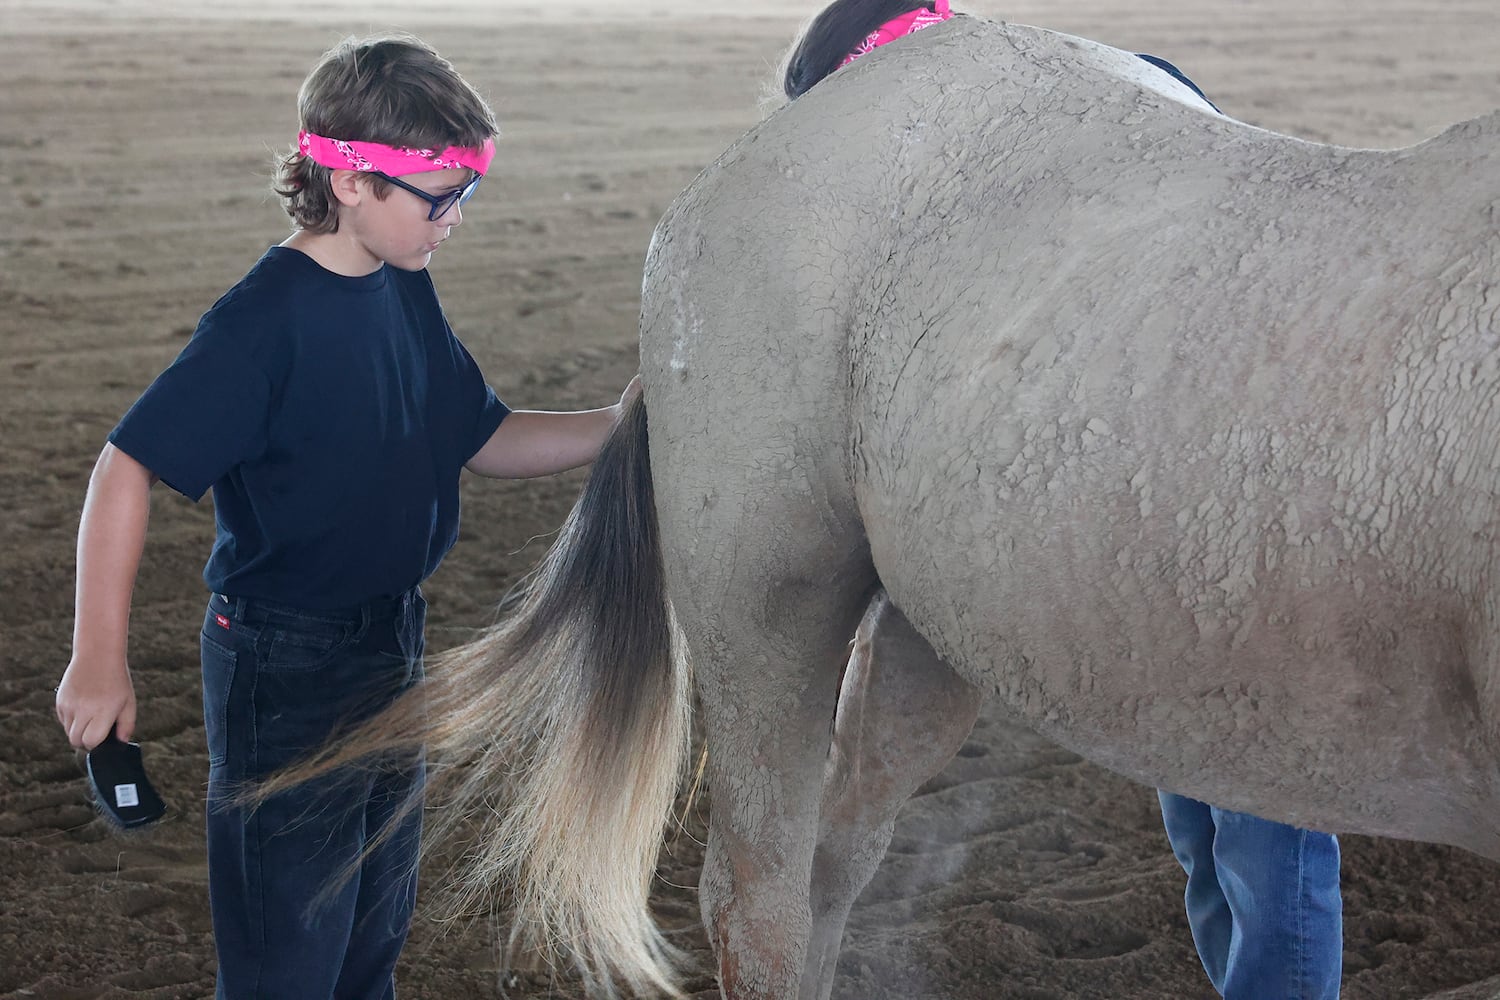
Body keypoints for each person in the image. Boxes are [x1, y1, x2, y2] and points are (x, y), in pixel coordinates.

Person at [52, 33, 638, 1000]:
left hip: (391, 647)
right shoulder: (261, 324)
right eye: (438, 197)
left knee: (370, 937)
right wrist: (97, 657)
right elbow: (126, 466)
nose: (453, 219)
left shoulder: (403, 289)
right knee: (290, 957)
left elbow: (480, 436)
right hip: (285, 669)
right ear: (354, 180)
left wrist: (620, 427)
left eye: (466, 194)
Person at [778, 3, 1343, 998]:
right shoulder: (1072, 122)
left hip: (1244, 508)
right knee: (1214, 825)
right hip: (1163, 526)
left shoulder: (1103, 121)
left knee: (1263, 822)